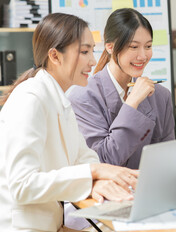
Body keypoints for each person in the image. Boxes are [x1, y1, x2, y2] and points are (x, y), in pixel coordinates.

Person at [0, 13, 139, 232]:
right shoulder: (30, 99)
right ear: (55, 56)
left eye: (92, 50)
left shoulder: (59, 100)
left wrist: (99, 179)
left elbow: (83, 157)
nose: (93, 61)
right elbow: (22, 185)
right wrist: (95, 172)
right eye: (84, 52)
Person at [68, 8, 175, 169]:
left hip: (149, 189)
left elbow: (168, 160)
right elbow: (102, 161)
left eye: (148, 46)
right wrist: (131, 104)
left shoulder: (160, 96)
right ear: (110, 47)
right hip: (107, 192)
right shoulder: (83, 96)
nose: (143, 56)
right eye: (133, 47)